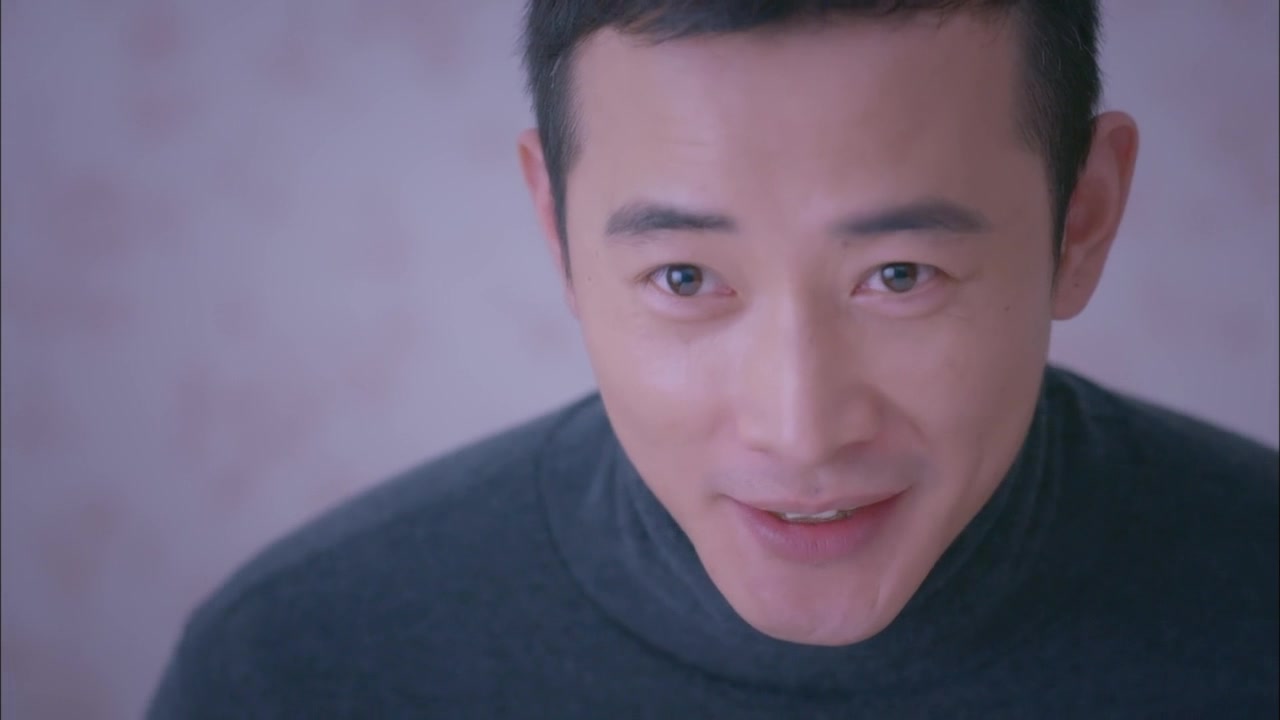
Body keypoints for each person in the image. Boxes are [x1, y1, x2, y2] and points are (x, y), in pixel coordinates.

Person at [147, 1, 1279, 717]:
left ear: (1080, 221)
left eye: (900, 275)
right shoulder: (295, 669)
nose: (799, 429)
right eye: (686, 278)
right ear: (557, 231)